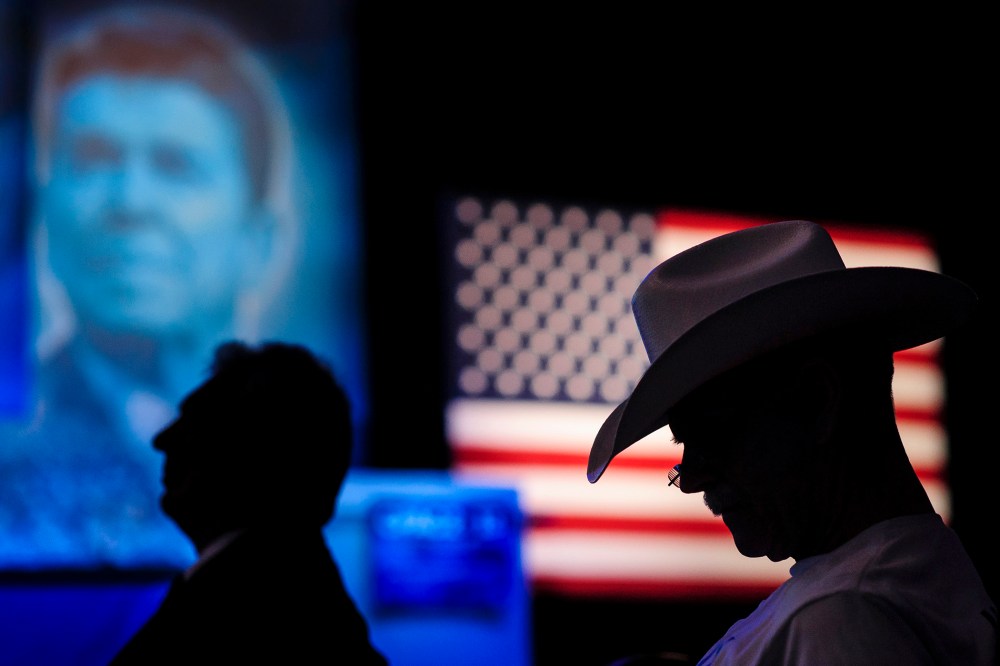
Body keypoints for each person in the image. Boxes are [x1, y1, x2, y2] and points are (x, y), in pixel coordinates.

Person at [587, 220, 997, 664]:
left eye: (710, 435)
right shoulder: (906, 587)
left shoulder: (838, 618)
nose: (691, 480)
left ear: (814, 401)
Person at [0, 4, 295, 566]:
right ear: (45, 217)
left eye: (175, 166)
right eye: (94, 159)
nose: (129, 204)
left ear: (260, 240)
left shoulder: (311, 453)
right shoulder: (8, 443)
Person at [110, 340, 387, 664]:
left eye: (193, 421)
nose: (163, 440)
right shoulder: (294, 600)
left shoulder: (248, 617)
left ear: (256, 453)